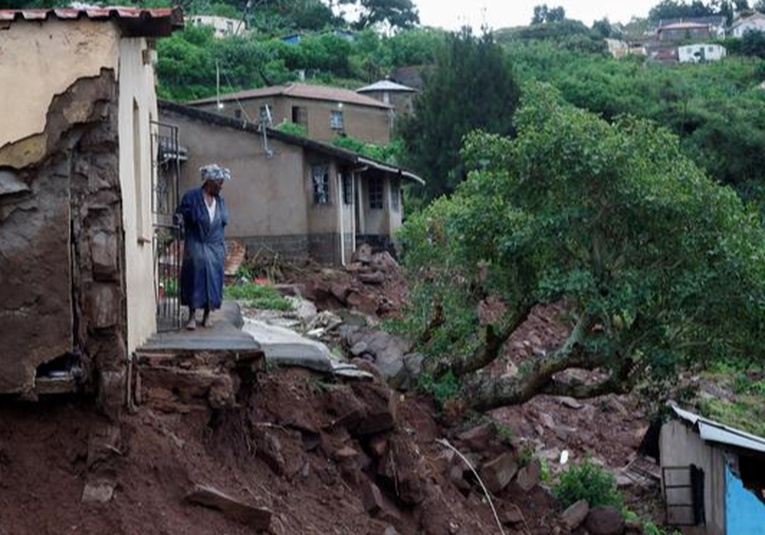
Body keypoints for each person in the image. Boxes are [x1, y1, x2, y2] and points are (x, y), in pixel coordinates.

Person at [176, 164, 231, 330]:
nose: (221, 187)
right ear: (209, 182)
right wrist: (179, 225)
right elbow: (180, 216)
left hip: (214, 248)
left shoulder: (220, 202)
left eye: (222, 183)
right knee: (194, 278)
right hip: (196, 244)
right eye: (219, 183)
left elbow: (222, 224)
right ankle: (192, 316)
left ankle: (208, 314)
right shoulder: (192, 198)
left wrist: (222, 249)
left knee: (214, 280)